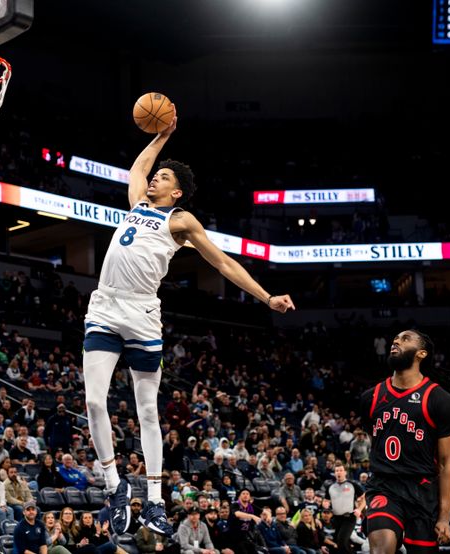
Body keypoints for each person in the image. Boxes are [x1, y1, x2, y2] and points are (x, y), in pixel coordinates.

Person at [83, 110, 295, 537]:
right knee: (92, 402)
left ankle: (156, 501)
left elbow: (222, 262)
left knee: (147, 411)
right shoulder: (137, 203)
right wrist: (163, 134)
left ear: (176, 191)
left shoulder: (180, 221)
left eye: (162, 178)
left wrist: (266, 296)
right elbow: (137, 168)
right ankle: (115, 486)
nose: (153, 179)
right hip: (105, 307)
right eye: (155, 176)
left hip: (143, 314)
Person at [360, 330, 450, 554]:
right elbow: (374, 440)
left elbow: (446, 462)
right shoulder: (370, 398)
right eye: (395, 338)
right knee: (381, 550)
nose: (396, 341)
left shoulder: (439, 399)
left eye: (405, 339)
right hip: (384, 487)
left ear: (421, 353)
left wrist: (444, 516)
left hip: (422, 491)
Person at [326, 463, 364, 554]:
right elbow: (326, 501)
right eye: (336, 471)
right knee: (341, 543)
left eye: (341, 470)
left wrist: (359, 509)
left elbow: (364, 497)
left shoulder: (352, 484)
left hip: (349, 517)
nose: (338, 472)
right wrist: (325, 504)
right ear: (334, 473)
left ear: (345, 472)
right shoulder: (330, 487)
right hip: (335, 518)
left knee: (342, 540)